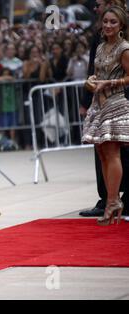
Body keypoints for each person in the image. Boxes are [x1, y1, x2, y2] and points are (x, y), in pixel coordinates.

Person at [80, 0, 129, 218]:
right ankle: (111, 199)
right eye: (106, 21)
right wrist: (90, 82)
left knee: (112, 151)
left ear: (121, 25)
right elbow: (96, 73)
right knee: (102, 153)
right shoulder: (100, 46)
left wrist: (110, 83)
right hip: (98, 105)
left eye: (113, 22)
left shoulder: (124, 48)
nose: (108, 25)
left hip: (116, 103)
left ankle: (113, 201)